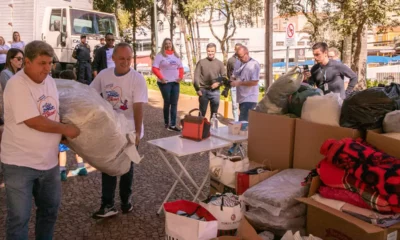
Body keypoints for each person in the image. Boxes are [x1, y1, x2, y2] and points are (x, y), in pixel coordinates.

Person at [1, 40, 80, 239]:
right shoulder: (16, 85)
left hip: (49, 163)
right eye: (42, 63)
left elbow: (53, 114)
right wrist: (66, 130)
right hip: (20, 164)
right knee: (19, 218)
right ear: (27, 62)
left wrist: (64, 133)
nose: (47, 68)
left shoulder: (50, 81)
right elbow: (34, 121)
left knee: (49, 212)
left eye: (50, 63)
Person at [90, 42, 148, 218]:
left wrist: (137, 133)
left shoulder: (137, 79)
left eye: (129, 58)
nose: (125, 62)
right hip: (111, 128)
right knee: (109, 165)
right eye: (121, 58)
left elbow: (138, 107)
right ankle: (107, 204)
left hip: (130, 128)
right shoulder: (104, 75)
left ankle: (125, 201)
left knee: (126, 166)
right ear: (113, 58)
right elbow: (90, 94)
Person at [152, 38, 184, 131]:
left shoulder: (176, 55)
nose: (168, 45)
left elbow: (181, 68)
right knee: (168, 102)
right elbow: (154, 68)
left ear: (172, 44)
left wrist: (180, 77)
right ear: (163, 45)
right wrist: (161, 78)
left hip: (175, 82)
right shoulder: (160, 55)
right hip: (165, 82)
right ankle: (166, 122)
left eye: (170, 43)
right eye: (166, 43)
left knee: (174, 103)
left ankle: (173, 125)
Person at [193, 43, 227, 119]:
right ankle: (200, 129)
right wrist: (197, 89)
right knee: (202, 112)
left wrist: (218, 83)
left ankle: (212, 130)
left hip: (215, 92)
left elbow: (224, 77)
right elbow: (196, 77)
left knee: (214, 114)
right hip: (203, 91)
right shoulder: (201, 62)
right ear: (206, 51)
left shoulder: (220, 63)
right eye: (209, 51)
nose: (210, 53)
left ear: (215, 51)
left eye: (212, 51)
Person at [230, 46, 260, 122]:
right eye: (238, 57)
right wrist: (232, 79)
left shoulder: (254, 64)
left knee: (243, 123)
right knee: (243, 122)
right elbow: (235, 75)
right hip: (241, 98)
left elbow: (254, 82)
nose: (240, 59)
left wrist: (239, 83)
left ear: (247, 54)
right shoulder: (238, 62)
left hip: (250, 98)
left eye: (241, 57)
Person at [227, 43, 242, 121]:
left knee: (243, 105)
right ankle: (236, 122)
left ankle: (243, 122)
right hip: (234, 87)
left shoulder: (246, 59)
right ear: (235, 50)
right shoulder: (231, 60)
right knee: (234, 105)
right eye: (237, 49)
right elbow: (228, 73)